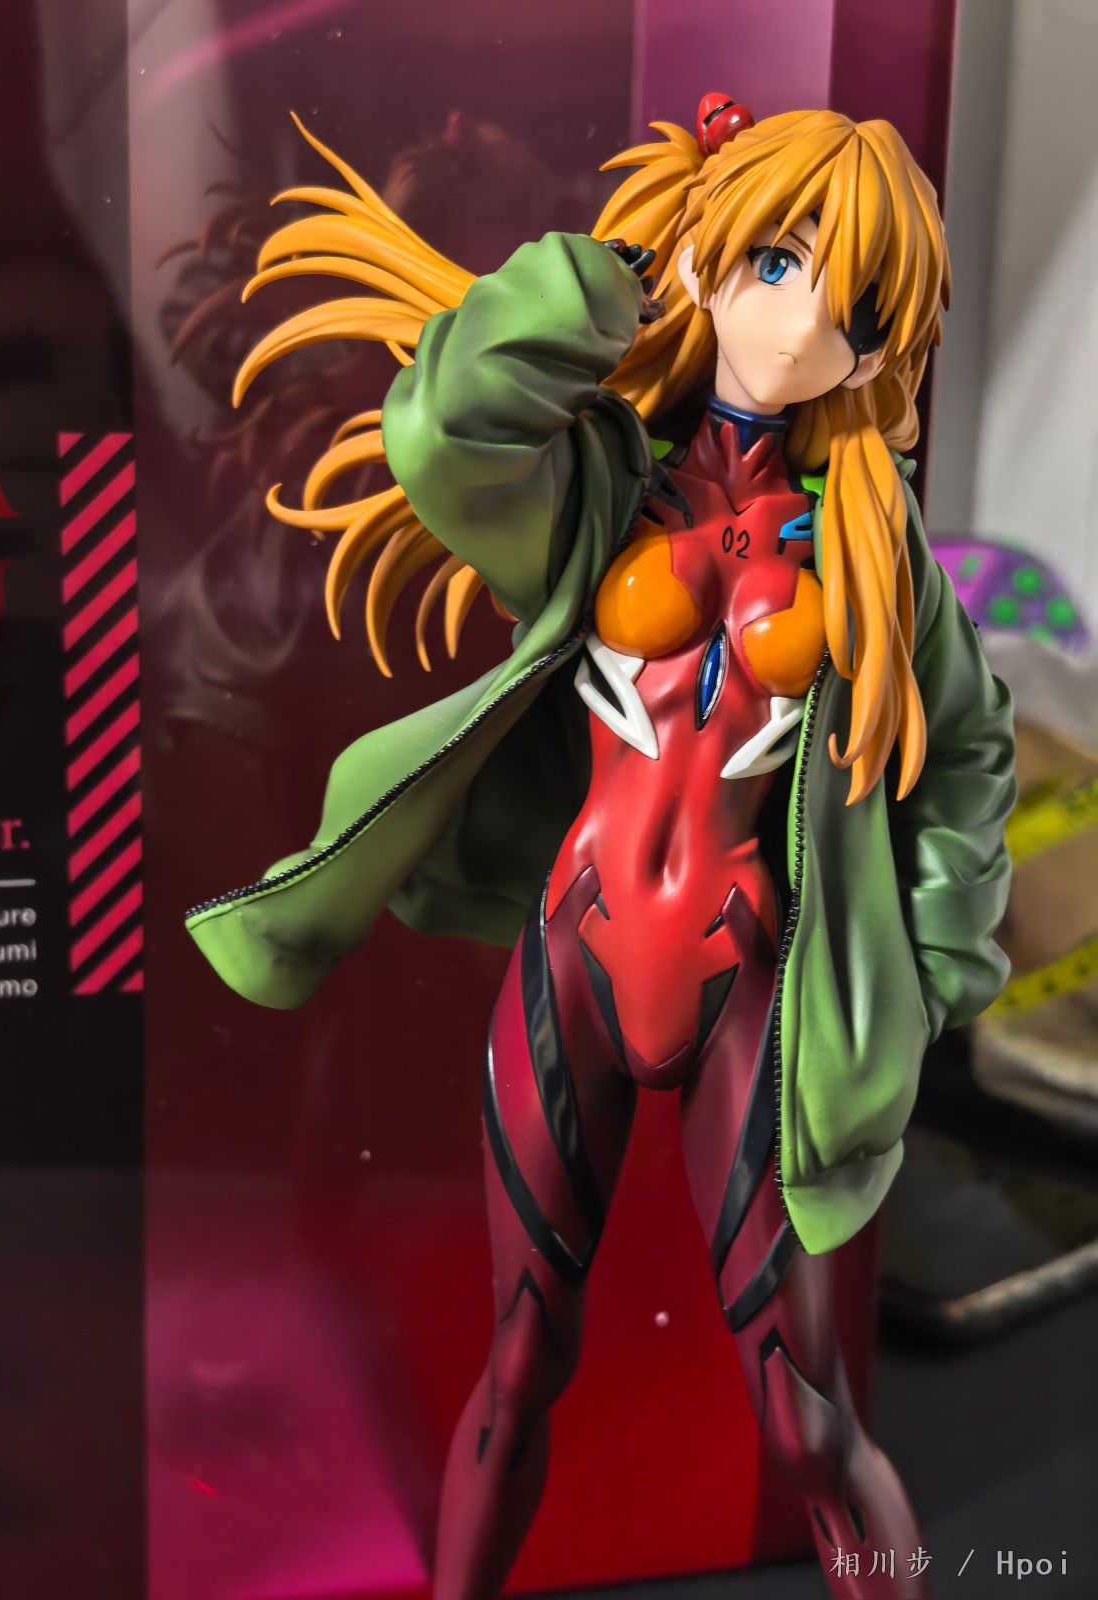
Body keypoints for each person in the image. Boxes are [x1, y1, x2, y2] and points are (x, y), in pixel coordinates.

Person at [186, 97, 1016, 1598]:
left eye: (853, 309)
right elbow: (442, 435)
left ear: (879, 353)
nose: (803, 322)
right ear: (712, 257)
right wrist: (600, 281)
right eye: (777, 263)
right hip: (576, 945)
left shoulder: (872, 553)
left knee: (803, 1405)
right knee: (518, 1356)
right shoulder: (601, 485)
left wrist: (941, 962)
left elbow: (966, 751)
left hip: (747, 974)